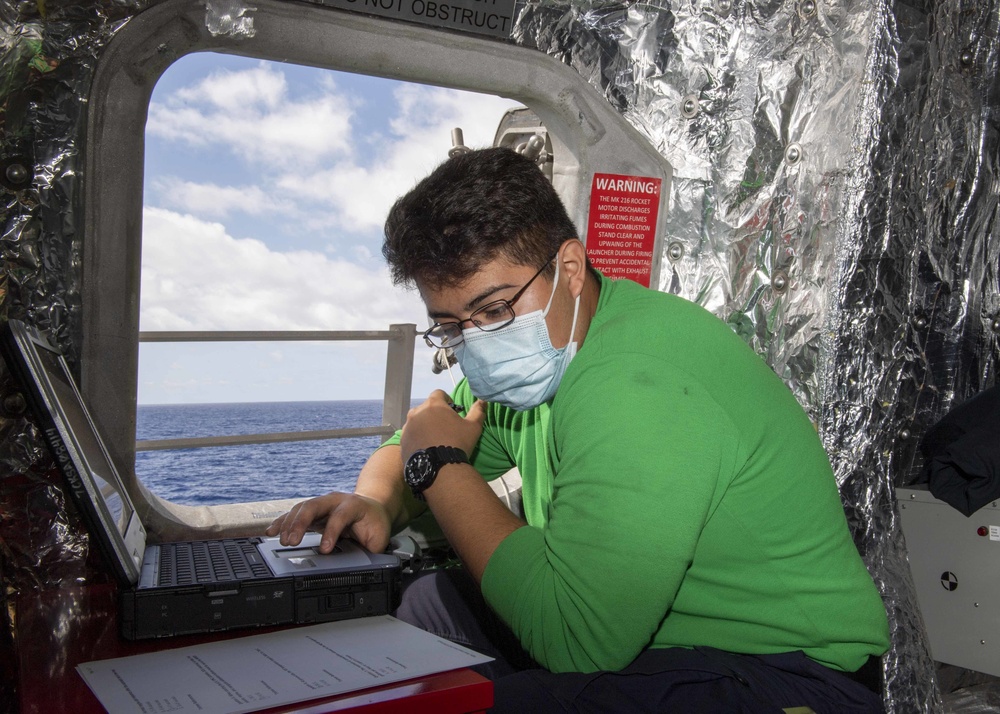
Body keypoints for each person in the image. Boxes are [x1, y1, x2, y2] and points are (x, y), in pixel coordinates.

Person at [267, 147, 890, 713]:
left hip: (786, 674)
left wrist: (437, 470)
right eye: (451, 326)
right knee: (428, 604)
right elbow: (415, 441)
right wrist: (378, 500)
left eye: (493, 308)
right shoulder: (531, 366)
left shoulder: (636, 378)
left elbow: (576, 640)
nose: (476, 344)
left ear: (568, 267)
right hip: (656, 642)